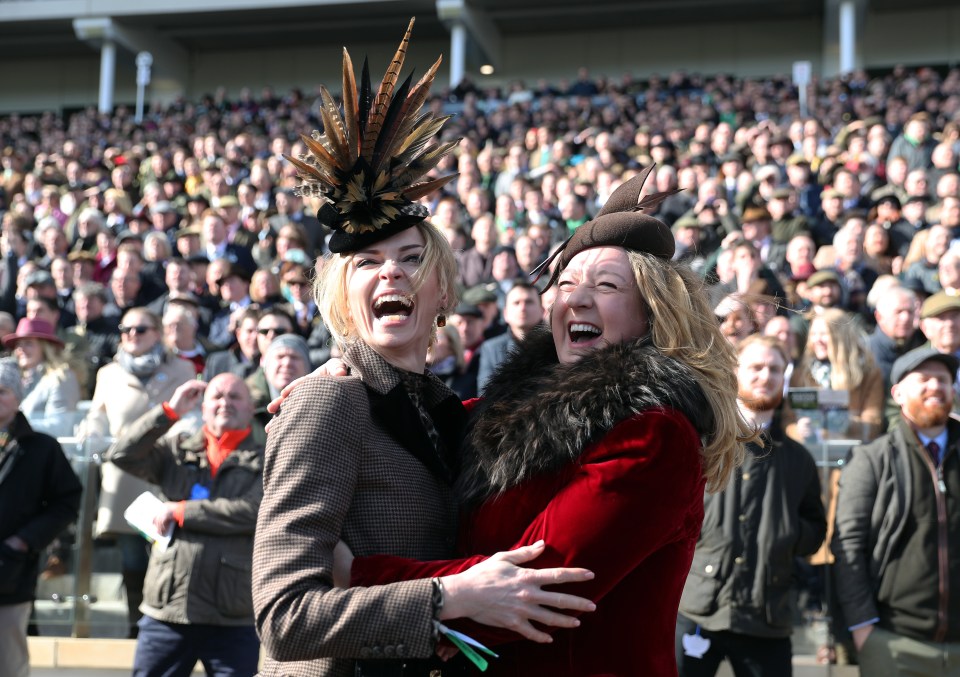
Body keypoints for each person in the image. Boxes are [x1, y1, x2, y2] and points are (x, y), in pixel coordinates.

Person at [253, 21, 595, 677]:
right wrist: (452, 595)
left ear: (442, 289)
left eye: (411, 259)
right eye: (368, 263)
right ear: (341, 293)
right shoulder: (326, 402)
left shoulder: (446, 410)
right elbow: (284, 616)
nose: (390, 273)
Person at [323, 165, 751, 675]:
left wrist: (362, 574)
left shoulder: (654, 434)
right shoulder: (521, 406)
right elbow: (428, 421)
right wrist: (348, 383)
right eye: (565, 282)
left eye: (607, 285)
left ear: (651, 314)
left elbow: (542, 580)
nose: (576, 298)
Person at [676, 335, 826, 677]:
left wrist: (786, 532)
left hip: (766, 615)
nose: (766, 375)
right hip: (697, 607)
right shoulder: (703, 442)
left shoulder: (799, 459)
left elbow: (816, 530)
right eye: (756, 367)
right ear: (735, 371)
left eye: (775, 369)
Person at [105, 374, 264, 676]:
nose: (225, 403)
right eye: (216, 396)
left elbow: (253, 512)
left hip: (231, 615)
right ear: (202, 407)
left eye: (234, 397)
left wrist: (181, 511)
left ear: (249, 408)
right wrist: (169, 411)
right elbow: (122, 454)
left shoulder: (266, 458)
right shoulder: (176, 450)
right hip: (167, 611)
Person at [832, 347, 960, 676]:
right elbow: (848, 544)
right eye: (925, 379)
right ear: (898, 393)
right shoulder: (871, 459)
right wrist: (863, 628)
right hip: (893, 644)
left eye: (944, 380)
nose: (936, 386)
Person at [79, 307, 196, 638]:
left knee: (168, 552)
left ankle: (168, 624)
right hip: (124, 473)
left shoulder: (182, 368)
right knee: (131, 557)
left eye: (141, 329)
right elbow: (97, 415)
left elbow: (192, 415)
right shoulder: (109, 373)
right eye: (125, 328)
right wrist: (90, 431)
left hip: (166, 473)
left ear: (157, 332)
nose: (132, 334)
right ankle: (137, 626)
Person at [0, 358, 82, 677]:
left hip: (9, 576)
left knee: (8, 663)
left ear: (18, 397)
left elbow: (67, 501)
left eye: (3, 391)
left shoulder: (42, 449)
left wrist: (23, 542)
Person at [783, 307, 884, 443]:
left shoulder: (868, 374)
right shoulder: (801, 375)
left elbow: (874, 424)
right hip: (811, 456)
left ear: (841, 336)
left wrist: (843, 423)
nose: (817, 340)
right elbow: (787, 421)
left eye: (824, 334)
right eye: (813, 334)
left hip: (853, 454)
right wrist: (799, 431)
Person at [2, 317, 81, 427]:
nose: (21, 349)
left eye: (28, 343)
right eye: (18, 344)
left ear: (45, 348)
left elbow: (60, 426)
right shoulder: (17, 379)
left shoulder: (61, 378)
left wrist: (11, 426)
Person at [476, 281, 542, 393]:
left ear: (542, 310)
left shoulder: (555, 345)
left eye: (529, 302)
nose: (523, 308)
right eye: (516, 303)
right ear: (505, 313)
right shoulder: (490, 349)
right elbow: (484, 393)